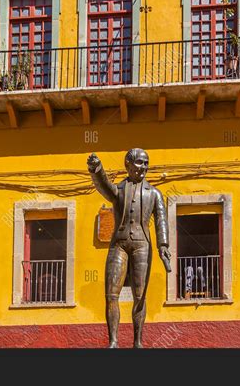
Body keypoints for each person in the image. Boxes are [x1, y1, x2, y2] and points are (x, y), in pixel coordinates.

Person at [87, 148, 171, 348]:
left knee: (140, 295)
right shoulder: (119, 191)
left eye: (146, 163)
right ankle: (114, 341)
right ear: (128, 165)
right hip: (119, 245)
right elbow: (104, 186)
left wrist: (163, 245)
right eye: (140, 162)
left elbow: (161, 219)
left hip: (143, 245)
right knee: (111, 293)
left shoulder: (155, 193)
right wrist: (96, 169)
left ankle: (138, 342)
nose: (144, 167)